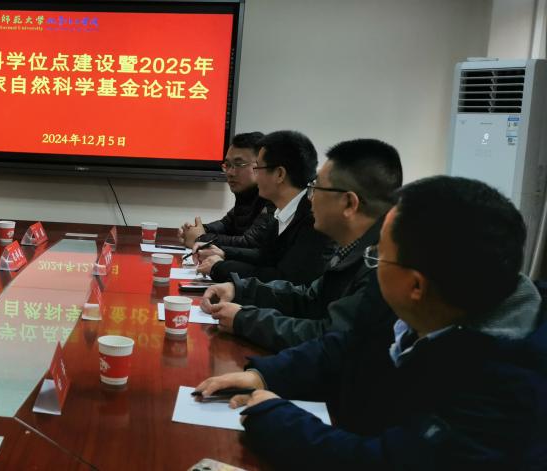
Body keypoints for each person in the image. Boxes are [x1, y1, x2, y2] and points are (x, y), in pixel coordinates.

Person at [195, 176, 547, 469]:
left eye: (380, 256)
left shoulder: (510, 389)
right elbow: (349, 346)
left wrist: (274, 417)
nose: (373, 265)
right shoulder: (430, 300)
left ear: (416, 286)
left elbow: (382, 463)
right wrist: (266, 375)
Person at [201, 139, 402, 351]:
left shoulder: (381, 266)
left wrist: (245, 320)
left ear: (349, 203)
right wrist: (239, 290)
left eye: (316, 188)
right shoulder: (352, 250)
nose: (310, 198)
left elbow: (330, 338)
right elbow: (309, 298)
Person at [195, 130, 334, 284]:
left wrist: (219, 267)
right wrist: (223, 253)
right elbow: (264, 256)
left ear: (279, 174)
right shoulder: (283, 211)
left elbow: (285, 280)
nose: (255, 175)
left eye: (258, 168)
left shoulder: (314, 219)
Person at [178, 132, 274, 249]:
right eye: (227, 165)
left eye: (239, 164)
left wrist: (201, 238)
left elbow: (250, 243)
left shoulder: (273, 198)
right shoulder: (245, 196)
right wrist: (198, 229)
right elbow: (226, 225)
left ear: (260, 165)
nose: (230, 173)